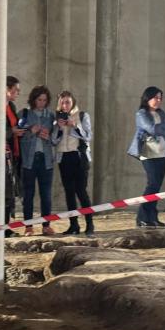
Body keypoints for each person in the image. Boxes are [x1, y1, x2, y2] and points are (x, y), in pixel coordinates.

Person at [127, 87, 165, 227]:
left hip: (162, 153)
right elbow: (152, 129)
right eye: (156, 97)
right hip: (148, 154)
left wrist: (162, 127)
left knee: (157, 187)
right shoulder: (141, 113)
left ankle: (153, 218)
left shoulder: (161, 113)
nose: (158, 101)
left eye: (160, 98)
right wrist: (163, 127)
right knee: (152, 185)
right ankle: (142, 217)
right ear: (147, 98)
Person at [51, 91, 94, 236]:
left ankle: (90, 224)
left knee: (81, 191)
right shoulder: (56, 120)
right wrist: (58, 128)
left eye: (67, 102)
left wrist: (74, 125)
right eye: (62, 102)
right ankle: (73, 225)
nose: (65, 105)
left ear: (73, 102)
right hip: (64, 158)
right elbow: (53, 141)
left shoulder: (82, 116)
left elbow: (88, 136)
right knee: (69, 193)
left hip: (79, 157)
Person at [18, 86, 56, 236]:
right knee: (28, 194)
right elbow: (17, 136)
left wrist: (49, 137)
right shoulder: (24, 114)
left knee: (46, 194)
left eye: (45, 100)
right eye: (39, 99)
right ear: (33, 99)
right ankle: (28, 227)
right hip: (29, 160)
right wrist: (30, 132)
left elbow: (56, 138)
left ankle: (46, 226)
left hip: (46, 160)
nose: (42, 103)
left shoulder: (51, 116)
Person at [5, 76, 24, 237]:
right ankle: (1, 227)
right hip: (1, 154)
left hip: (13, 152)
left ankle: (6, 225)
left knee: (10, 191)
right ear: (6, 89)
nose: (18, 92)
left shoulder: (11, 105)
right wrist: (13, 132)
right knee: (4, 191)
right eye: (15, 89)